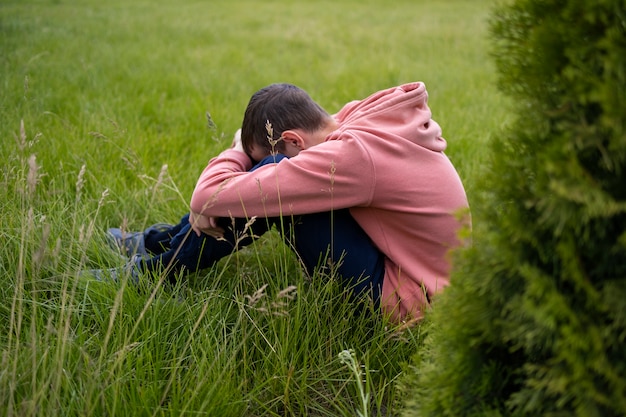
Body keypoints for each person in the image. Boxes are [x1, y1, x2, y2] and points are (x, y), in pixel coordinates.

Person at [95, 82, 470, 322]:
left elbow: (207, 196)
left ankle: (156, 272)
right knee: (269, 180)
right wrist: (238, 171)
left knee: (273, 178)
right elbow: (217, 196)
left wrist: (238, 158)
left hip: (410, 299)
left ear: (292, 137)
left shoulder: (354, 157)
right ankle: (156, 243)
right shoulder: (357, 120)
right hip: (420, 271)